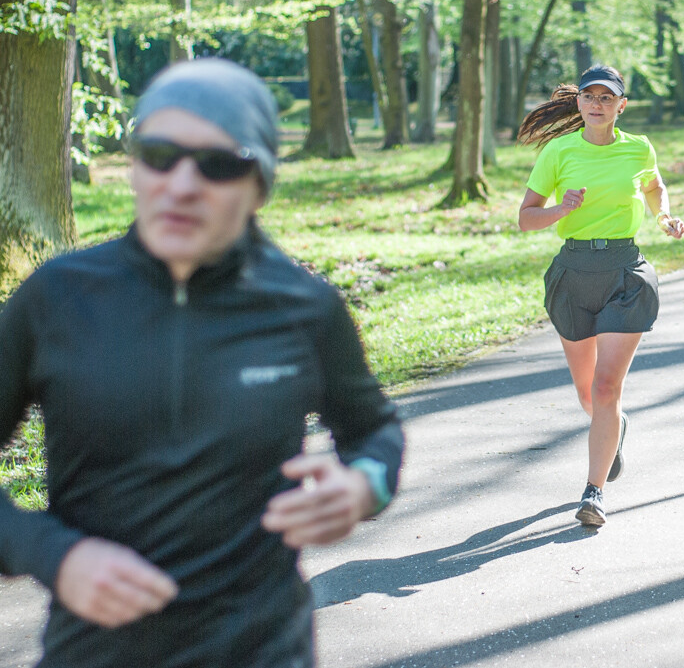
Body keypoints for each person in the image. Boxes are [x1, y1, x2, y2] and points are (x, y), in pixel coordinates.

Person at [0, 58, 405, 668]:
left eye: (218, 164)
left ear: (258, 184)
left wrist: (363, 485)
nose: (183, 184)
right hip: (93, 653)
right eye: (160, 154)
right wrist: (52, 554)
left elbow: (374, 429)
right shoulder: (56, 298)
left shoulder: (303, 306)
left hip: (264, 648)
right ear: (135, 168)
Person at [517, 64, 684, 527]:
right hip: (573, 273)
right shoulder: (559, 151)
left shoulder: (638, 148)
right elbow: (526, 218)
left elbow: (653, 186)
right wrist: (561, 209)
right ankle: (615, 427)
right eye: (589, 96)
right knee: (589, 394)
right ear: (579, 104)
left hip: (624, 273)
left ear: (620, 106)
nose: (597, 103)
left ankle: (594, 493)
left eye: (606, 98)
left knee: (607, 387)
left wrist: (664, 217)